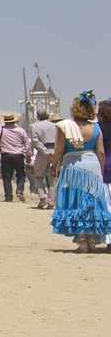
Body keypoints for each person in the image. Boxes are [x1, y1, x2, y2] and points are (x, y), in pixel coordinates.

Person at [49, 91, 111, 253]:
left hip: (73, 167)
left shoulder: (65, 126)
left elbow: (59, 149)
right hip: (93, 166)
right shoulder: (96, 128)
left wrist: (53, 165)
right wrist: (102, 170)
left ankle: (82, 241)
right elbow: (101, 152)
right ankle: (91, 239)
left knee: (76, 201)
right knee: (92, 202)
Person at [0, 112, 30, 202]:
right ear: (14, 121)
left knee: (6, 177)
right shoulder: (21, 130)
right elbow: (27, 143)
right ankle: (19, 190)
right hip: (18, 156)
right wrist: (29, 154)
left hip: (6, 156)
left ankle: (8, 196)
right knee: (20, 175)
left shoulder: (0, 129)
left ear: (5, 121)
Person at [29, 106, 57, 209]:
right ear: (48, 116)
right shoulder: (55, 126)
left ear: (37, 117)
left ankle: (42, 197)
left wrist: (44, 152)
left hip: (42, 153)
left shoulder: (35, 126)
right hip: (54, 152)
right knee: (53, 178)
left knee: (38, 176)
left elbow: (35, 141)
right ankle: (51, 202)